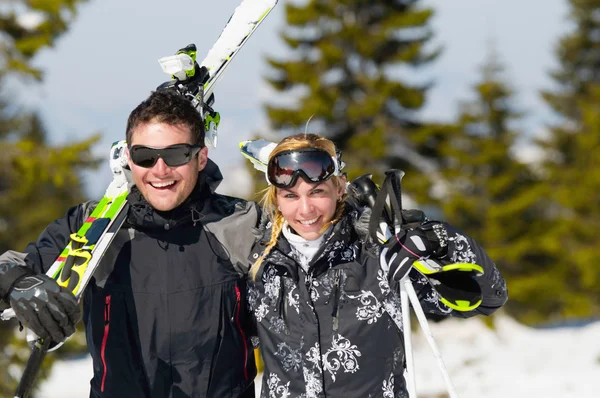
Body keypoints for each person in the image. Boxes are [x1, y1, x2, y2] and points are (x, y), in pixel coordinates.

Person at [0, 89, 259, 397]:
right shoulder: (95, 226)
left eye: (176, 154)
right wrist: (19, 284)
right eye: (145, 156)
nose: (160, 170)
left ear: (201, 157)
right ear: (128, 158)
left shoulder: (240, 224)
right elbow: (9, 266)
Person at [245, 133, 508, 397]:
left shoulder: (379, 252)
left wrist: (440, 242)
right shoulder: (257, 262)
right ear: (276, 198)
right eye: (291, 196)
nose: (305, 210)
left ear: (340, 188)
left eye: (317, 192)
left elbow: (488, 297)